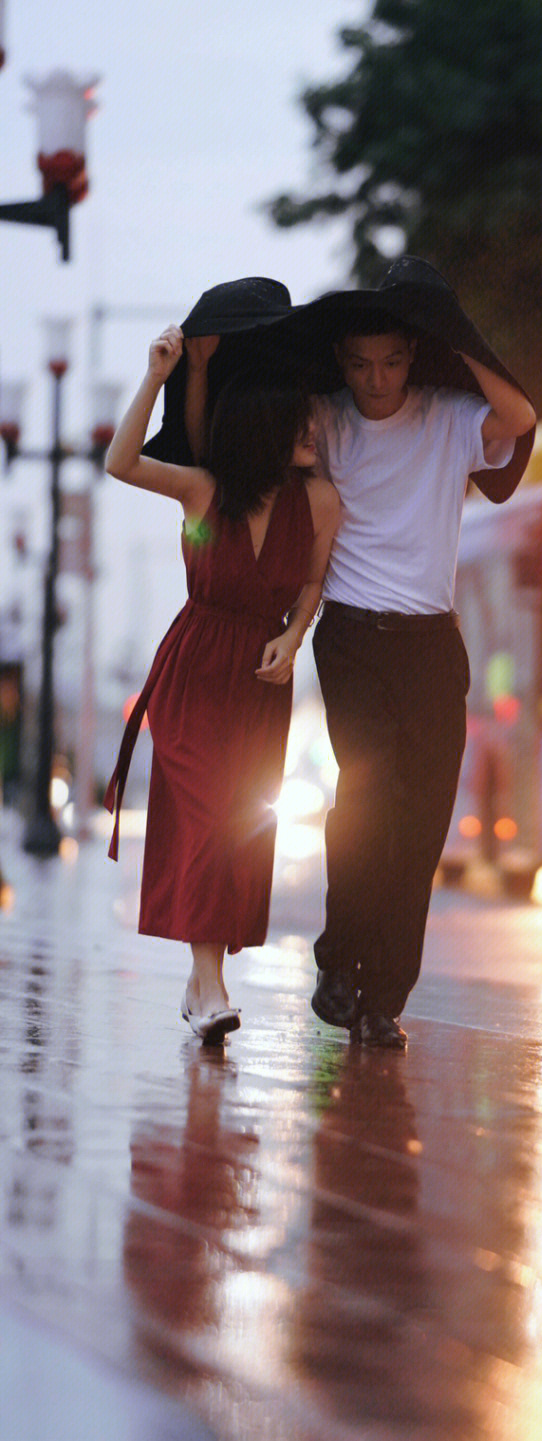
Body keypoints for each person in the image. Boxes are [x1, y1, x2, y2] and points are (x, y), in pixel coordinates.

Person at [301, 307, 536, 1046]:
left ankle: (383, 999)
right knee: (366, 801)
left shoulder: (451, 418)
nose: (376, 379)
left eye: (392, 361)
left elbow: (521, 415)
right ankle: (340, 960)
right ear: (342, 360)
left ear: (412, 357)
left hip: (431, 641)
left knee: (422, 823)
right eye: (361, 363)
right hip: (350, 635)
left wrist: (463, 341)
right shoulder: (327, 421)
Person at [104, 325, 341, 1044]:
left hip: (262, 679)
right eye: (296, 423)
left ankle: (200, 979)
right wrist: (158, 375)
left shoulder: (322, 501)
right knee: (206, 822)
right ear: (262, 428)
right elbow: (120, 463)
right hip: (195, 670)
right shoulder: (203, 490)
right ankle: (211, 988)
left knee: (237, 829)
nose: (311, 432)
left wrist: (294, 633)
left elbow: (313, 580)